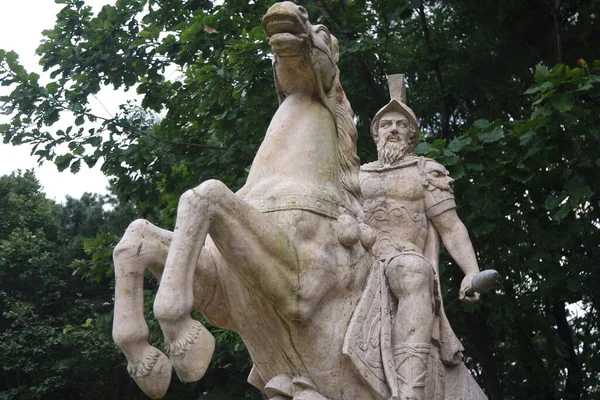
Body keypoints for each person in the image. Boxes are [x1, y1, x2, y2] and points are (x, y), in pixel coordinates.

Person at [357, 96, 481, 400]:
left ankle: (411, 390)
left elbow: (451, 227)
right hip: (358, 259)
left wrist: (471, 272)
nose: (394, 129)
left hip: (403, 257)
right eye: (386, 124)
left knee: (413, 272)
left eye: (402, 124)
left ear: (413, 135)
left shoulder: (425, 172)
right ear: (375, 134)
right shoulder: (356, 175)